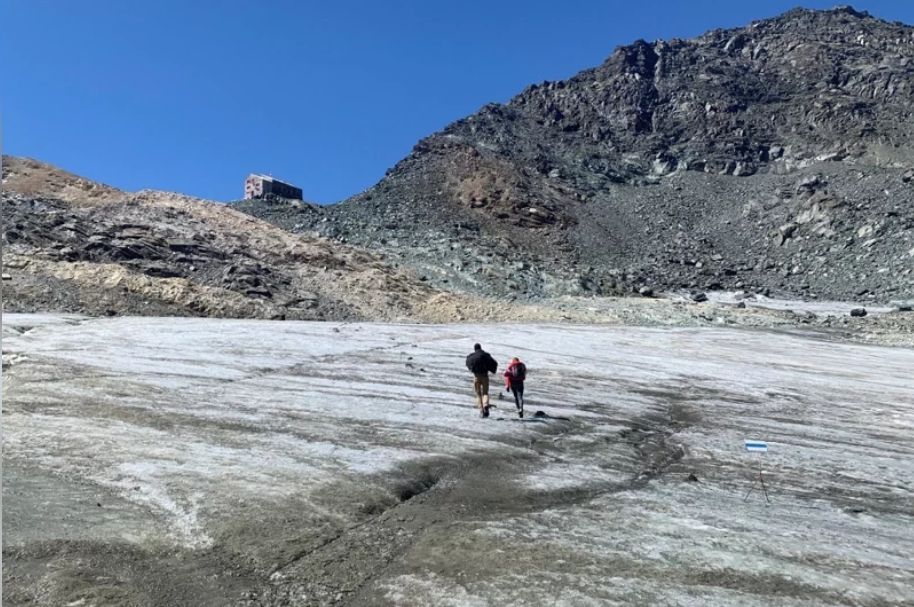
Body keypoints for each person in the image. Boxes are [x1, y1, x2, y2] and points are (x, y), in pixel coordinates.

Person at [465, 343, 497, 418]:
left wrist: (472, 369)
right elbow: (494, 363)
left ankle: (481, 410)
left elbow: (467, 363)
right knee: (485, 393)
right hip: (485, 376)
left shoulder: (471, 356)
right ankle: (485, 404)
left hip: (476, 376)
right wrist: (491, 369)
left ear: (475, 349)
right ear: (481, 348)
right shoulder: (485, 355)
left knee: (478, 393)